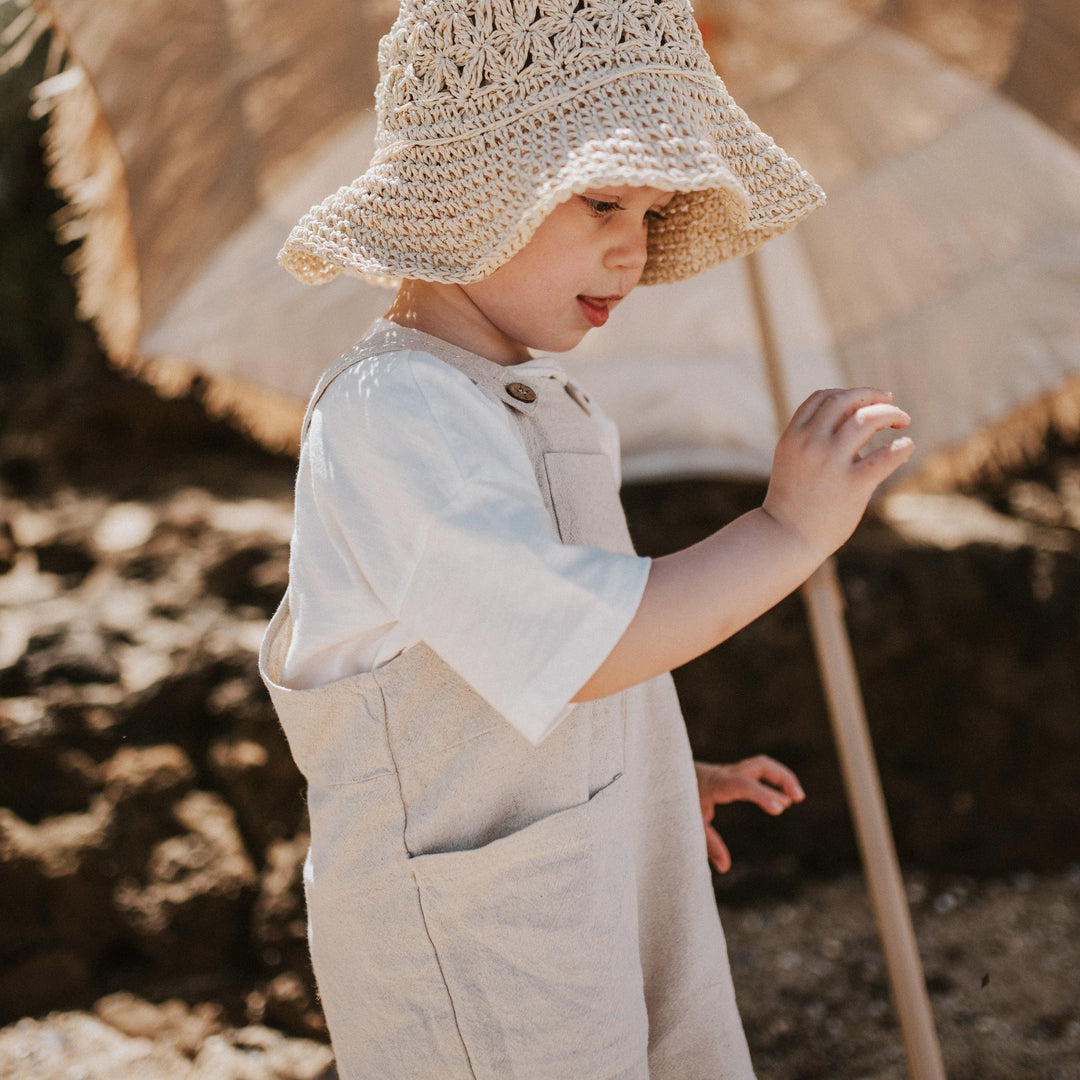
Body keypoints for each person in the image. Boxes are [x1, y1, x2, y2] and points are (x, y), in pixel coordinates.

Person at [259, 1, 914, 1077]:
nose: (633, 245)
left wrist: (649, 769)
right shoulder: (393, 415)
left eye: (653, 212)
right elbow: (587, 644)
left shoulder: (541, 401)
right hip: (476, 943)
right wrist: (788, 528)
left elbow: (542, 654)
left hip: (582, 872)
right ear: (469, 186)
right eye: (603, 198)